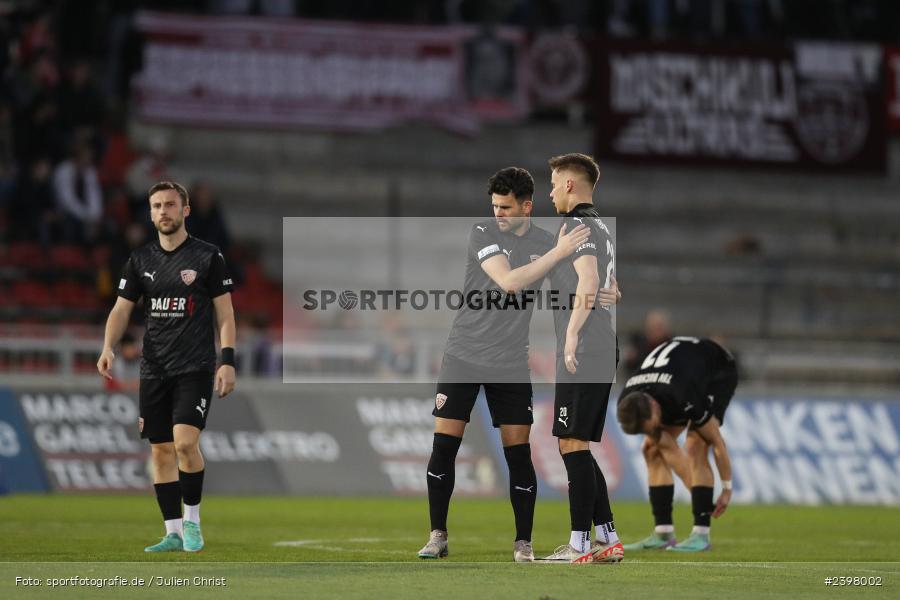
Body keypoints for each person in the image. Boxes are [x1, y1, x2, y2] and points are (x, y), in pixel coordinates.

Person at [417, 166, 619, 563]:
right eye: (495, 206)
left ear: (527, 206)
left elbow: (582, 279)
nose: (499, 214)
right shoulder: (483, 233)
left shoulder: (547, 241)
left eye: (506, 207)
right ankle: (437, 534)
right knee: (444, 446)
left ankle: (522, 543)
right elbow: (508, 281)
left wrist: (604, 291)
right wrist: (560, 253)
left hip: (509, 363)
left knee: (519, 454)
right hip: (463, 356)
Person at [96, 181, 236, 553]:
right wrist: (108, 346)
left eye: (170, 205)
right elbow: (121, 309)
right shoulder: (140, 259)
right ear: (150, 211)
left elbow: (225, 314)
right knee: (160, 452)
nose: (163, 211)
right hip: (154, 369)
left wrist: (228, 361)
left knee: (186, 443)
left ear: (185, 209)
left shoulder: (208, 257)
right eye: (157, 205)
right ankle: (172, 532)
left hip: (195, 367)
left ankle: (193, 523)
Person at [540, 153, 622, 564]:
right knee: (578, 444)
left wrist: (571, 335)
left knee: (571, 442)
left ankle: (580, 545)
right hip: (600, 343)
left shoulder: (576, 224)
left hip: (586, 345)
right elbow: (612, 287)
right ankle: (608, 538)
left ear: (570, 184)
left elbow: (591, 281)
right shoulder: (601, 228)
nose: (550, 190)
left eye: (554, 182)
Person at [616, 336, 738, 552]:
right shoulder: (627, 399)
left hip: (717, 371)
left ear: (653, 406)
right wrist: (699, 493)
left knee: (696, 444)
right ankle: (663, 533)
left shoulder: (682, 394)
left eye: (650, 425)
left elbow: (717, 441)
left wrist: (726, 489)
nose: (651, 431)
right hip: (678, 373)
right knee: (651, 448)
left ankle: (701, 535)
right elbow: (666, 446)